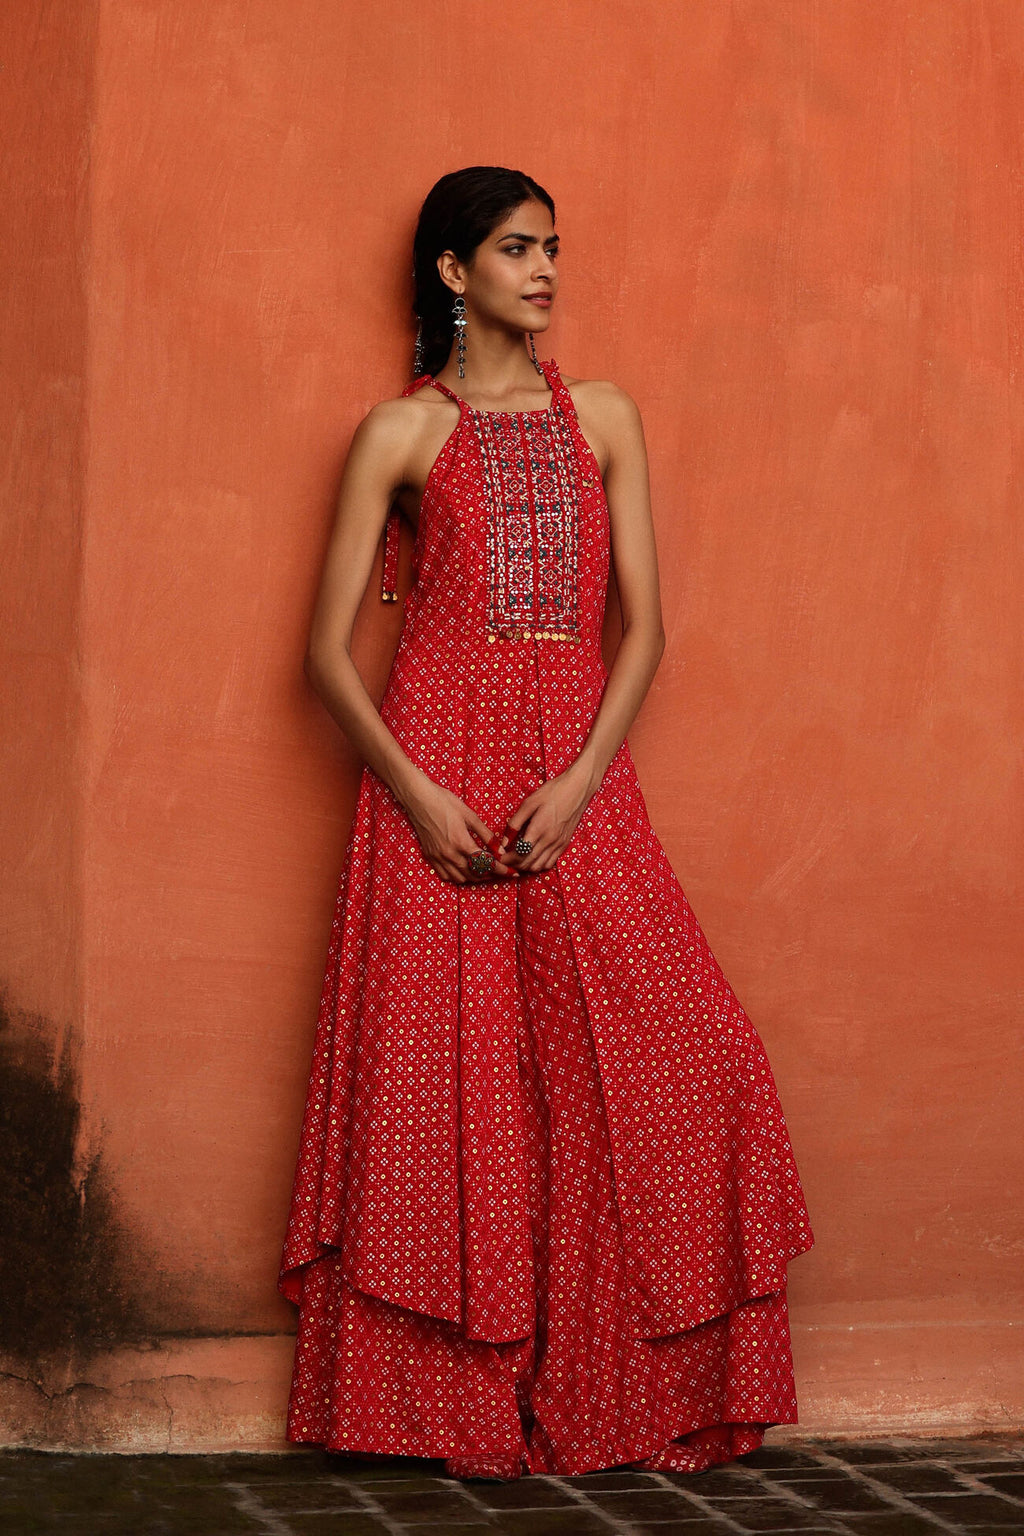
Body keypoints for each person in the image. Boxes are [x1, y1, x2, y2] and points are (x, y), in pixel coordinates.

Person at [278, 165, 815, 1481]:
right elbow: (326, 656)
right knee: (446, 1084)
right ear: (455, 274)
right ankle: (434, 1411)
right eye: (518, 249)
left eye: (555, 248)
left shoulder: (610, 418)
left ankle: (617, 1389)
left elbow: (647, 627)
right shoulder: (399, 435)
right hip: (438, 773)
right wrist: (418, 793)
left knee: (680, 1057)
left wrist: (582, 779)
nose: (547, 271)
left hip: (575, 767)